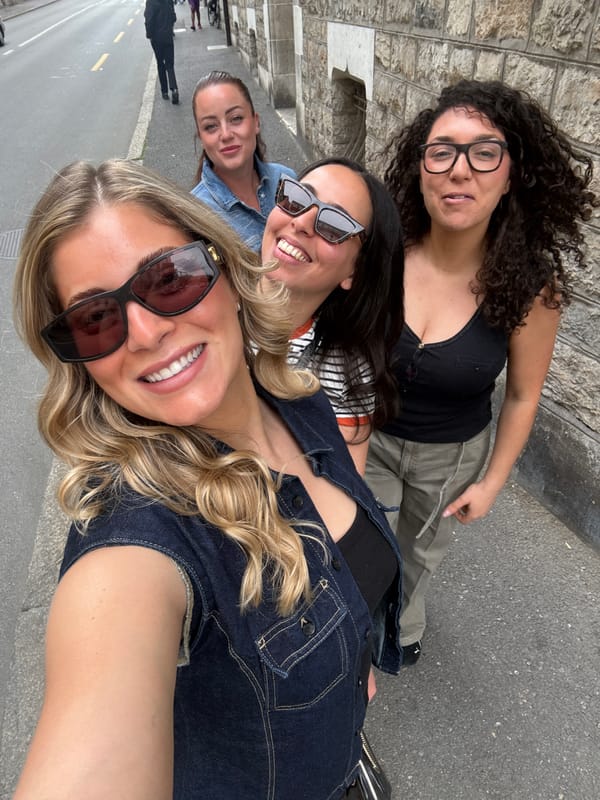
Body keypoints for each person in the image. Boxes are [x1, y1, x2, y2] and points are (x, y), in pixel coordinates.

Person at [12, 159, 403, 799]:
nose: (144, 333)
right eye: (95, 320)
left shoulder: (296, 398)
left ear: (222, 264)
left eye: (168, 280)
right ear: (77, 358)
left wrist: (352, 659)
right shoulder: (133, 547)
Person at [366, 78, 597, 665]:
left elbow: (522, 395)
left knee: (418, 555)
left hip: (452, 455)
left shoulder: (530, 287)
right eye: (442, 150)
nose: (459, 170)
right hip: (371, 435)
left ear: (511, 173)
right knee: (362, 545)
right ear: (421, 168)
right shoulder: (383, 251)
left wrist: (492, 482)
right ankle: (356, 628)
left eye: (484, 151)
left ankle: (402, 631)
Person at [261, 157, 404, 474]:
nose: (301, 222)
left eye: (335, 225)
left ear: (355, 270)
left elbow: (341, 496)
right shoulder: (202, 298)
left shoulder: (345, 372)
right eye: (296, 198)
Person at [191, 70, 295, 252]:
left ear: (256, 122)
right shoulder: (195, 215)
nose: (225, 134)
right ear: (201, 137)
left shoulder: (286, 179)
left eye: (236, 118)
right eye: (210, 126)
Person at [144, 0, 179, 105]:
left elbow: (149, 19)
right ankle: (174, 89)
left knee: (160, 63)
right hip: (167, 36)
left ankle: (164, 91)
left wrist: (149, 35)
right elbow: (173, 17)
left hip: (156, 38)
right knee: (170, 64)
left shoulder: (151, 2)